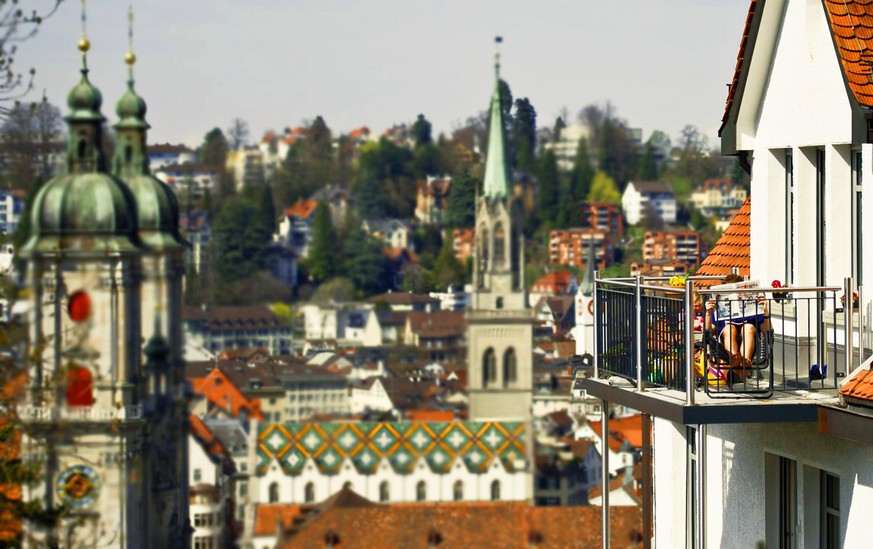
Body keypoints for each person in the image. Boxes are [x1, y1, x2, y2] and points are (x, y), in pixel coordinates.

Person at [703, 276, 770, 365]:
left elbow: (766, 332)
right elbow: (709, 333)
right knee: (729, 328)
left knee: (748, 327)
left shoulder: (755, 308)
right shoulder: (718, 308)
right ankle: (735, 358)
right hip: (725, 343)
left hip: (750, 339)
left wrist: (765, 312)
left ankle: (745, 361)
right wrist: (708, 313)